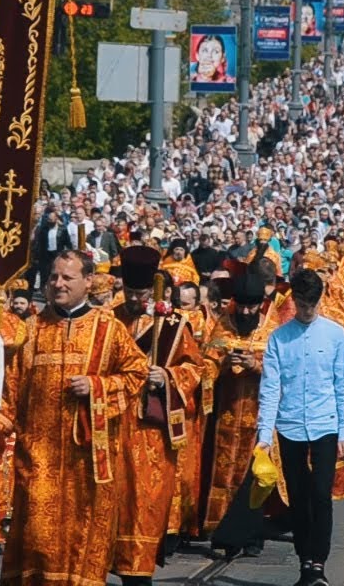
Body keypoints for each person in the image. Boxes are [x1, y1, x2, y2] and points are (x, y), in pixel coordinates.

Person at [0, 250, 149, 586]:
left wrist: (98, 385)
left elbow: (137, 375)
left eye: (67, 277)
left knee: (84, 540)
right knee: (36, 538)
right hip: (37, 458)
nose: (58, 283)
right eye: (54, 277)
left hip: (90, 461)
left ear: (88, 281)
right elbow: (9, 389)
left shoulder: (109, 328)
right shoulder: (31, 329)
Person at [110, 246, 203, 585]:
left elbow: (195, 369)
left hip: (150, 434)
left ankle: (138, 574)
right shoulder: (108, 319)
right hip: (111, 426)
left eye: (141, 293)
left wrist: (166, 376)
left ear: (153, 289)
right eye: (130, 292)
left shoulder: (173, 324)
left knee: (143, 504)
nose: (135, 299)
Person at [257, 269, 344, 586]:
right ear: (294, 301)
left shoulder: (335, 334)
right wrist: (264, 436)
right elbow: (270, 389)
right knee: (297, 498)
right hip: (290, 426)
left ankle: (319, 563)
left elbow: (343, 386)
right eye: (302, 304)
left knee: (321, 495)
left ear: (319, 300)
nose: (307, 310)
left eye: (312, 304)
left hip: (325, 425)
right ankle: (305, 562)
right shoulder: (279, 338)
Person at [201, 272, 279, 553]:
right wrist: (224, 364)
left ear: (261, 304)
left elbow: (283, 372)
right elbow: (206, 365)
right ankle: (222, 531)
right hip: (226, 414)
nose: (246, 312)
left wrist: (255, 365)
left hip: (260, 416)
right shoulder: (223, 326)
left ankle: (252, 535)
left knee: (255, 474)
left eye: (251, 307)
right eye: (242, 306)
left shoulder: (272, 329)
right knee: (223, 471)